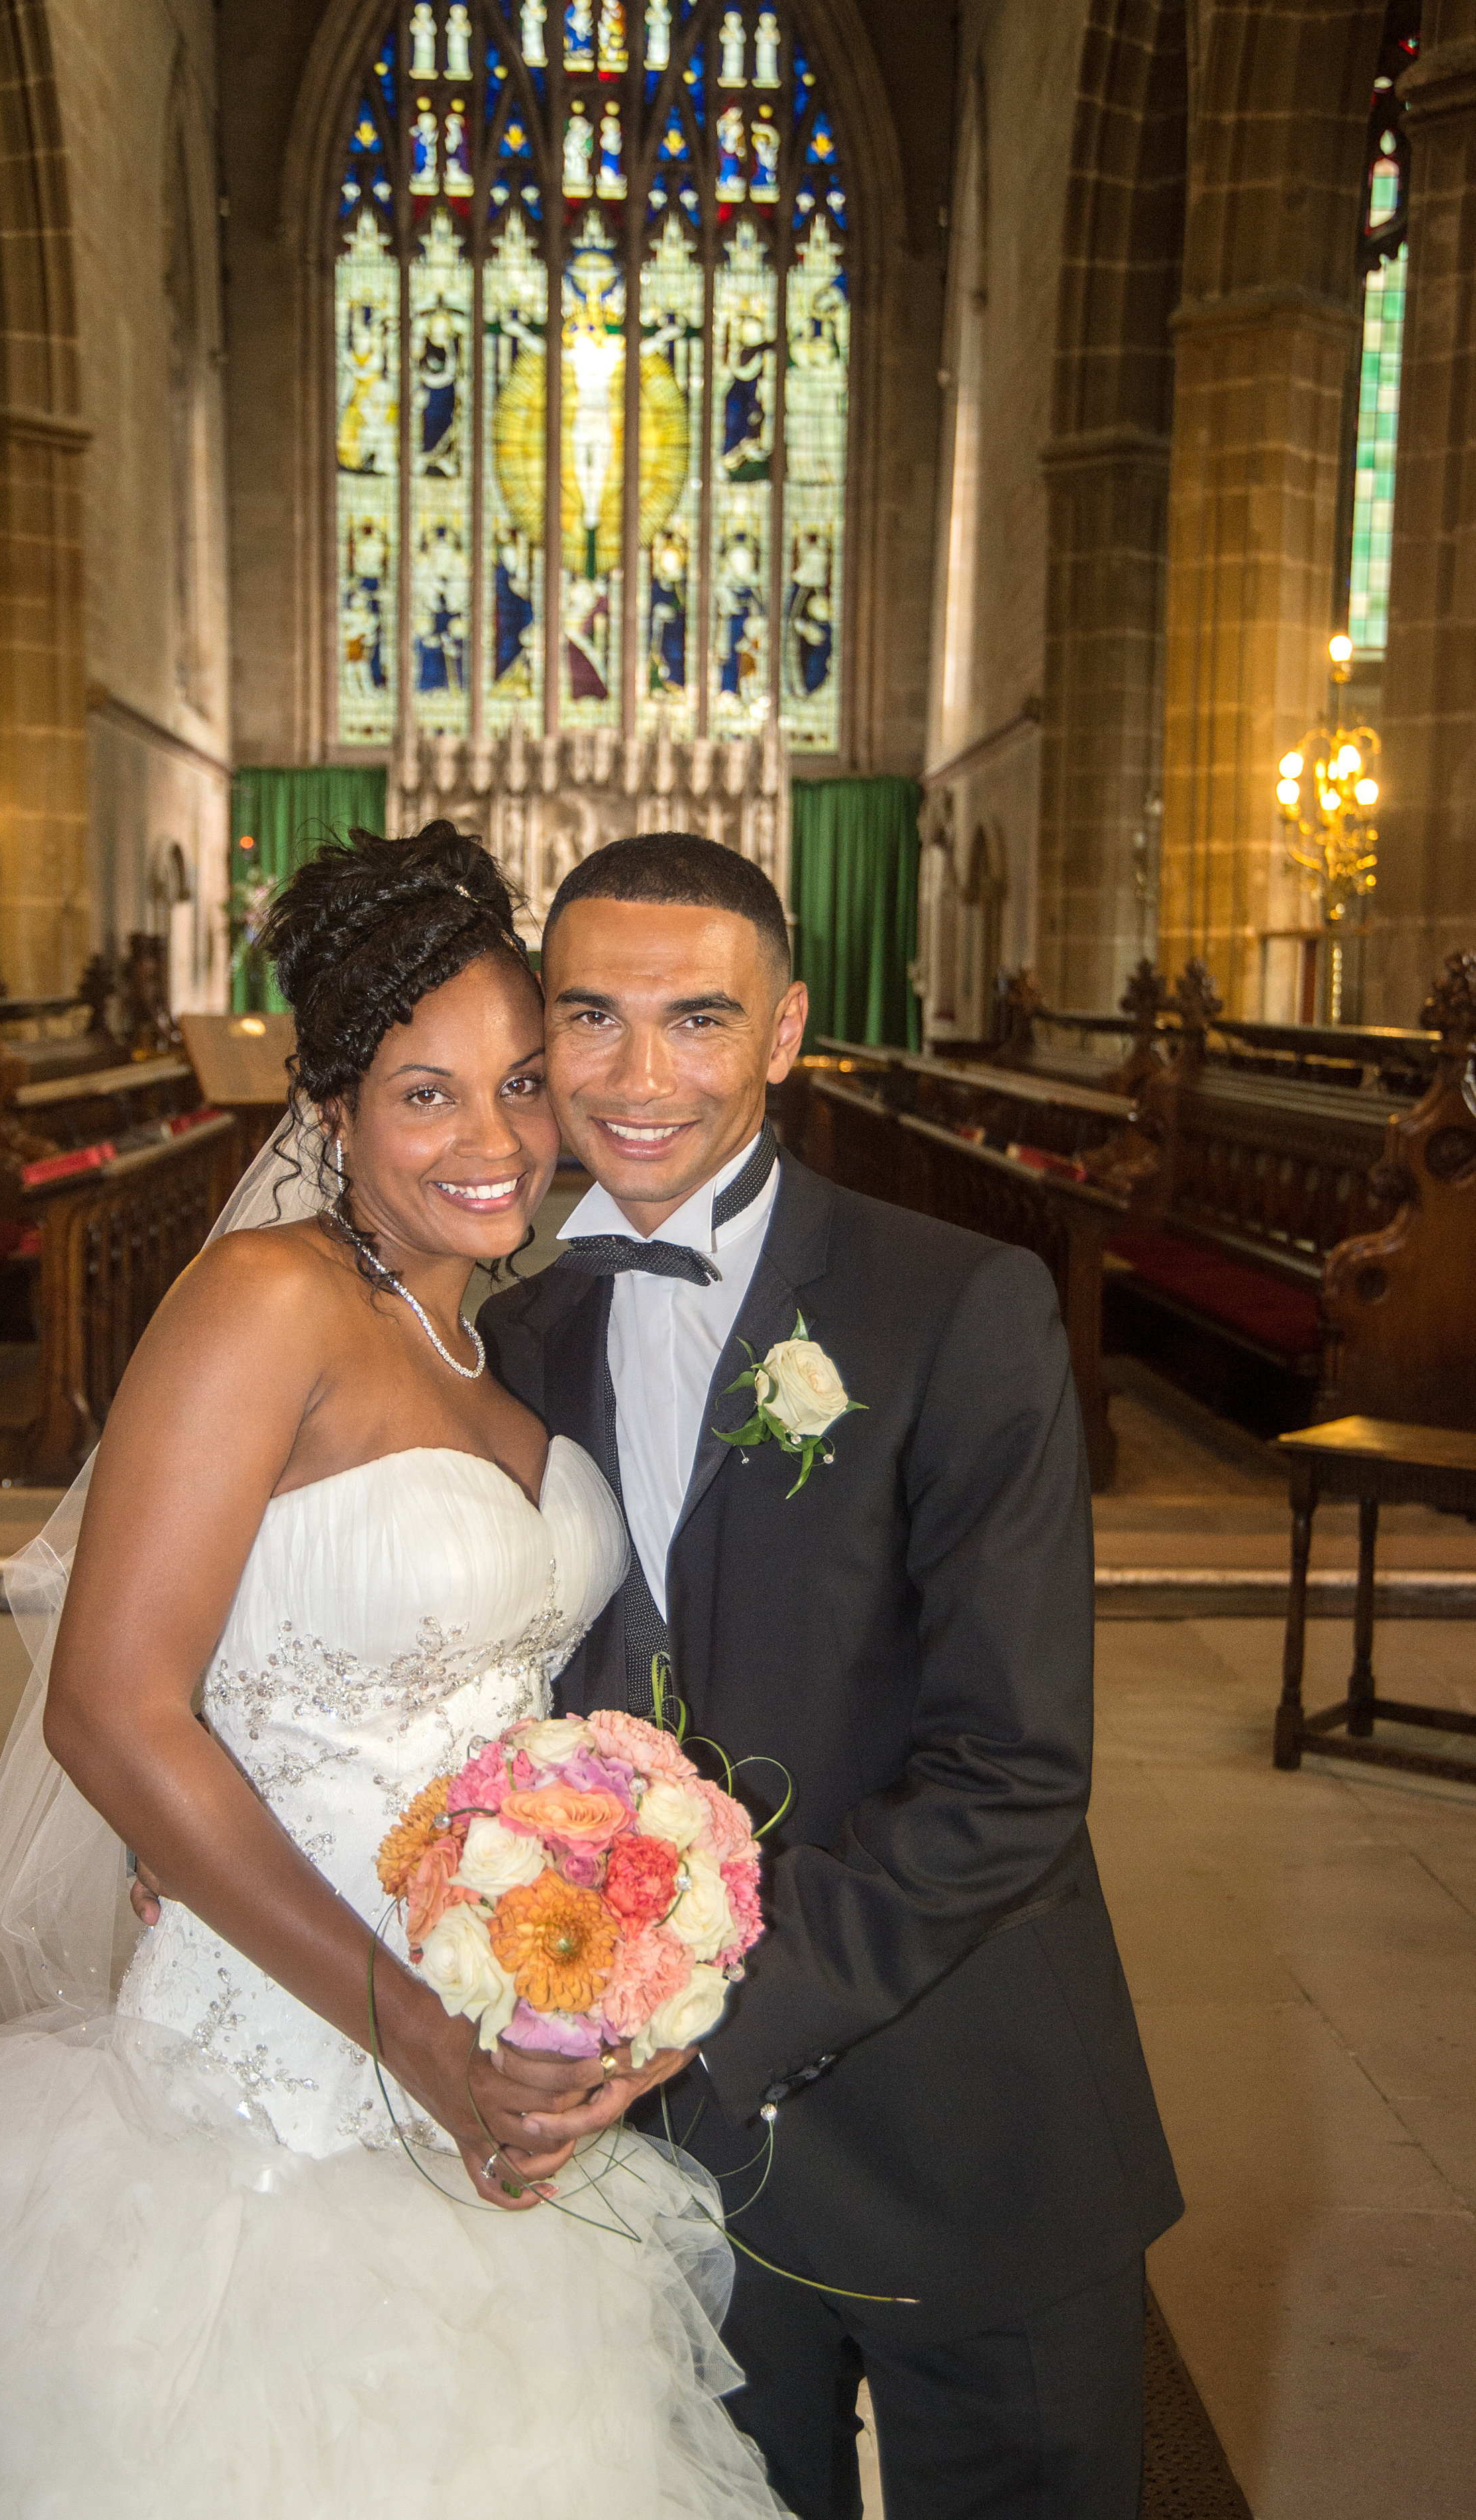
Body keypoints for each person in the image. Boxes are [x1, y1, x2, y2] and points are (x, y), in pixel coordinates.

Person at [0, 825, 788, 2520]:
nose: (493, 1142)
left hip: (487, 2063)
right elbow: (111, 1706)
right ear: (329, 1111)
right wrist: (403, 2021)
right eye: (425, 1094)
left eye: (523, 1086)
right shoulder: (264, 1301)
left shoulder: (500, 1345)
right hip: (270, 2084)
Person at [476, 831, 1185, 2520]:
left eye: (698, 1021)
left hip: (963, 2115)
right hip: (662, 2180)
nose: (639, 1079)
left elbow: (1012, 1770)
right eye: (590, 1019)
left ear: (785, 1032)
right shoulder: (512, 1339)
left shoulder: (956, 1307)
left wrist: (710, 2010)